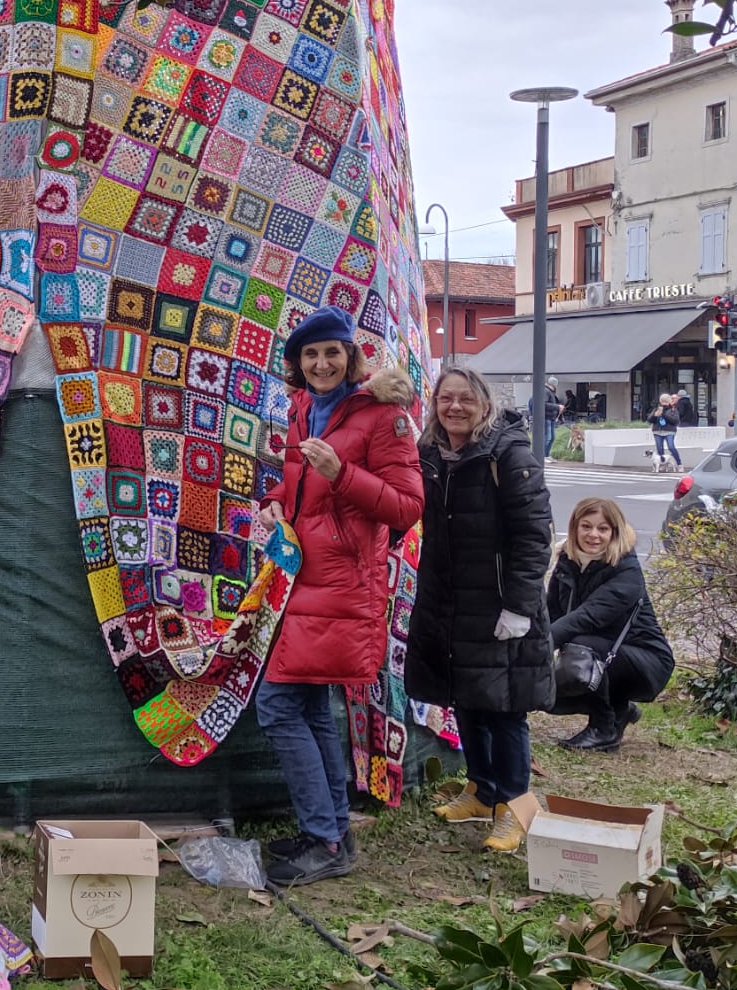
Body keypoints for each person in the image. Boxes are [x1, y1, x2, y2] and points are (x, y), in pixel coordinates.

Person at [251, 306, 424, 886]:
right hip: (303, 577)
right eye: (310, 355)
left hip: (344, 584)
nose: (322, 364)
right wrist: (276, 497)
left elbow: (406, 507)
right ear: (299, 365)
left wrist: (342, 473)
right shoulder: (305, 408)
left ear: (351, 357)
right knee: (308, 710)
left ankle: (324, 838)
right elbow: (301, 481)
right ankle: (330, 833)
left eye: (332, 352)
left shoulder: (383, 417)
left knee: (278, 707)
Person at [408, 365, 554, 853]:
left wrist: (519, 607)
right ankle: (482, 789)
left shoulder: (509, 455)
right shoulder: (429, 454)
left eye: (465, 399)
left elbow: (535, 537)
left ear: (485, 405)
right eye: (445, 399)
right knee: (466, 695)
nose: (455, 408)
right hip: (450, 599)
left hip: (498, 603)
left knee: (505, 707)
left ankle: (516, 804)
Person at [544, 498, 675, 751]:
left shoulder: (626, 570)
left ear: (614, 532)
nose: (593, 535)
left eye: (603, 529)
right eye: (586, 526)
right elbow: (553, 614)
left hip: (646, 660)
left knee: (579, 652)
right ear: (575, 528)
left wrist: (540, 645)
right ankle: (619, 709)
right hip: (603, 652)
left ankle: (603, 728)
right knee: (549, 691)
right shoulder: (567, 561)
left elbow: (587, 617)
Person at [650, 393, 683, 473]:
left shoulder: (673, 410)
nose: (664, 404)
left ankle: (679, 464)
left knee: (671, 447)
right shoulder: (657, 409)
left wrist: (664, 414)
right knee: (659, 448)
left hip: (669, 431)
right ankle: (663, 464)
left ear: (669, 402)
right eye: (662, 402)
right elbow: (650, 420)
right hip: (658, 431)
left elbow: (675, 421)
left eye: (666, 402)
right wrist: (655, 415)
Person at [542, 378, 562, 457]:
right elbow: (544, 404)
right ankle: (543, 456)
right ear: (554, 384)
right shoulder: (546, 391)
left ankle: (546, 455)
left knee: (551, 438)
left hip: (551, 418)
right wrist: (557, 407)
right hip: (547, 417)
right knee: (548, 438)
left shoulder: (550, 392)